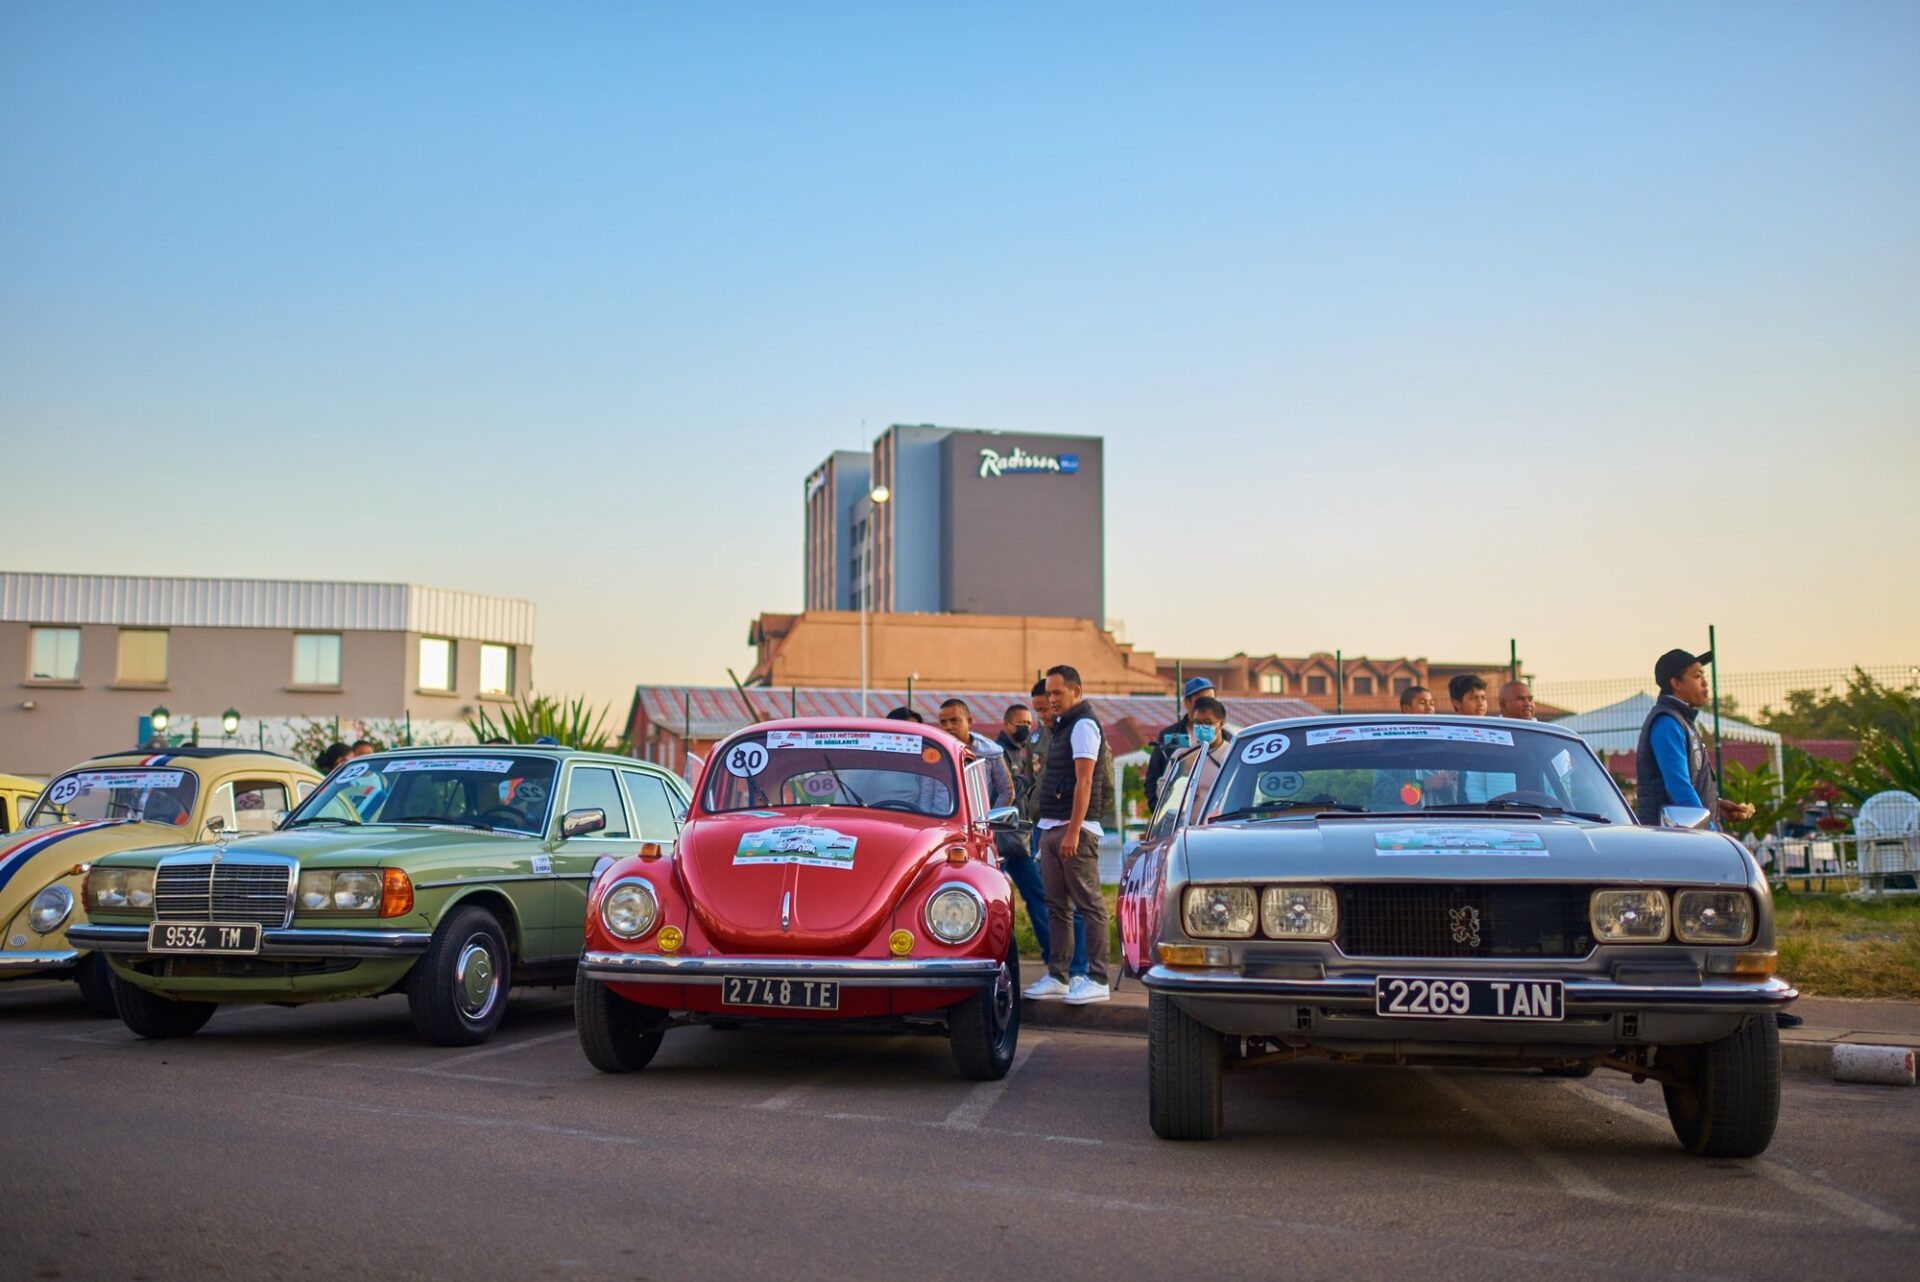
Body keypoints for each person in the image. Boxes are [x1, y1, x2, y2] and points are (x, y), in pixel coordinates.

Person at [1023, 665, 1112, 1005]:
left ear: (1077, 690)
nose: (1052, 699)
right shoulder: (1060, 727)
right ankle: (1058, 976)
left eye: (1058, 693)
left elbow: (1085, 782)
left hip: (1075, 830)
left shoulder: (1084, 725)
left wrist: (1073, 832)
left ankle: (1098, 978)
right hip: (1050, 826)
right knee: (1056, 906)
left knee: (1089, 905)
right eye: (1049, 694)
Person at [1634, 648, 1755, 828]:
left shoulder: (1681, 720)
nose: (1705, 683)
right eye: (1698, 676)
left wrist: (1715, 804)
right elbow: (1678, 786)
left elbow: (1688, 782)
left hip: (1685, 835)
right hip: (1670, 841)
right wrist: (1707, 829)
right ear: (1676, 683)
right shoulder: (1667, 723)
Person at [1145, 676, 1216, 806]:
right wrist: (1161, 812)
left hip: (1212, 816)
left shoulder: (1226, 738)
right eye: (1201, 700)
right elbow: (1153, 779)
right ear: (1187, 703)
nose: (1207, 705)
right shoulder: (1169, 735)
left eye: (1211, 699)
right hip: (1175, 815)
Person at [935, 699, 1013, 812]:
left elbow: (1007, 791)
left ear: (969, 722)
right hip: (941, 824)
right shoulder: (934, 753)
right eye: (943, 722)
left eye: (954, 720)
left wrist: (992, 822)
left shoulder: (989, 752)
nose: (948, 727)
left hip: (976, 825)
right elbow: (926, 794)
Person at [1167, 696, 1233, 823]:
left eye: (1208, 723)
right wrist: (1182, 790)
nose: (1201, 727)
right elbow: (1163, 789)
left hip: (1219, 828)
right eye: (1197, 722)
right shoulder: (1182, 755)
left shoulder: (1231, 756)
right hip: (1185, 828)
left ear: (1221, 724)